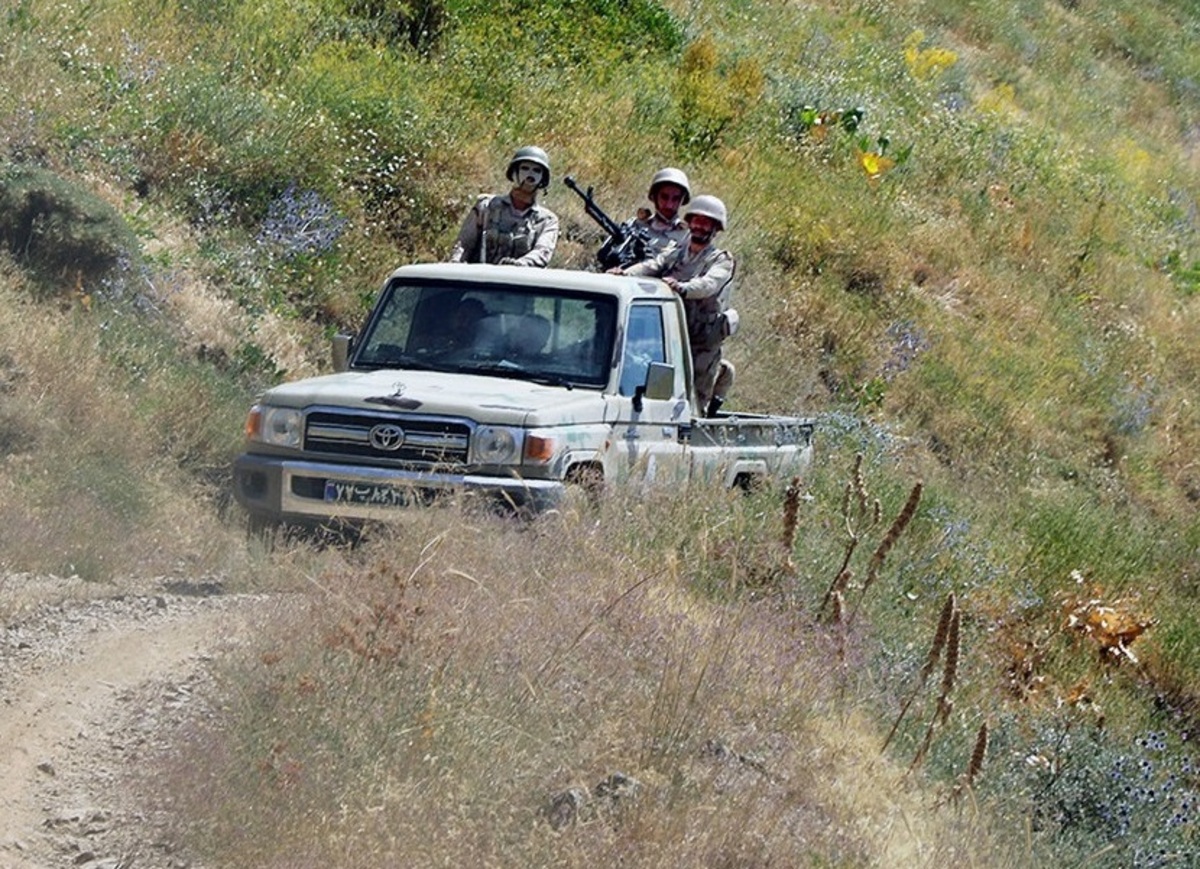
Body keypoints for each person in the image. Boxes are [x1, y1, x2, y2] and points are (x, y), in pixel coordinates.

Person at [610, 194, 736, 417]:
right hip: (673, 336)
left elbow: (709, 284)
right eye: (696, 221)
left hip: (701, 341)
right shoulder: (677, 252)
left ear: (716, 228)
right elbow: (652, 265)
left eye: (707, 223)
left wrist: (683, 287)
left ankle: (719, 381)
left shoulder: (721, 260)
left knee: (696, 401)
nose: (700, 226)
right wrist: (625, 274)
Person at [449, 145, 559, 267]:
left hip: (521, 282)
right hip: (479, 280)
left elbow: (542, 252)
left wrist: (518, 265)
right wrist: (455, 266)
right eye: (525, 168)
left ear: (543, 178)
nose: (530, 174)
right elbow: (464, 244)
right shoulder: (486, 206)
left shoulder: (547, 220)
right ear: (514, 173)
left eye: (537, 170)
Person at [632, 167, 692, 259]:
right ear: (654, 196)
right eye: (664, 197)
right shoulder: (636, 225)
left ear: (682, 200)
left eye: (675, 199)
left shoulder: (687, 236)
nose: (669, 205)